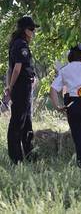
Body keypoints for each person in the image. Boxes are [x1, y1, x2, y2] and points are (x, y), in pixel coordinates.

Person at [5, 16, 38, 164]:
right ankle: (16, 159)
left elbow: (10, 69)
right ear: (24, 30)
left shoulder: (15, 44)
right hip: (21, 87)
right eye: (31, 29)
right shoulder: (21, 45)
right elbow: (17, 69)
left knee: (26, 122)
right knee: (18, 123)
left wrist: (8, 86)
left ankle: (30, 155)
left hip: (22, 86)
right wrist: (10, 88)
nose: (33, 32)